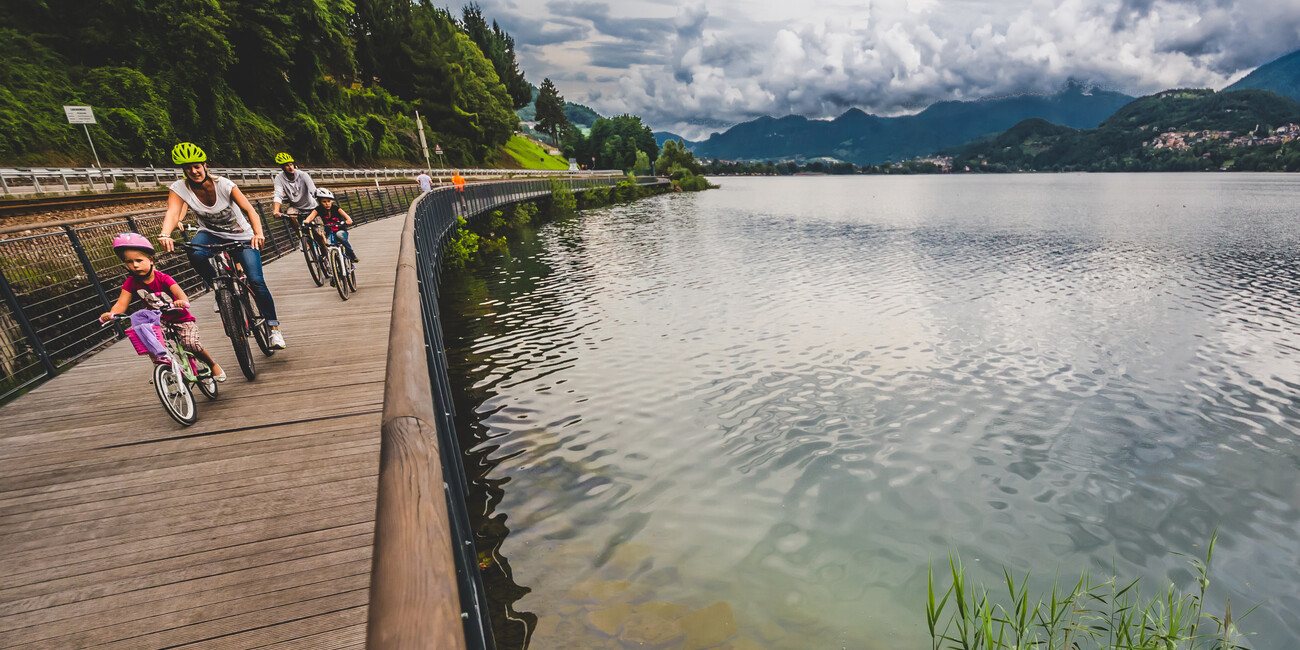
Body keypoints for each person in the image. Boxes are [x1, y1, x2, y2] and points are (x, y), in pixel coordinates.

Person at [157, 142, 287, 349]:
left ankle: (273, 329)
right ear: (184, 171)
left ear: (205, 165)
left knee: (256, 280)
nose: (194, 171)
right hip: (210, 234)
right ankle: (217, 286)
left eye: (197, 166)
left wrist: (258, 233)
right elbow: (172, 213)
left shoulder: (224, 185)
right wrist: (165, 233)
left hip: (242, 236)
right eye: (188, 168)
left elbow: (250, 211)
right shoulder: (179, 187)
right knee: (194, 251)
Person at [101, 233, 226, 382]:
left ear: (151, 259)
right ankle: (162, 368)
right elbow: (121, 304)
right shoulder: (131, 282)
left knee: (191, 344)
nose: (134, 265)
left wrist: (180, 301)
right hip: (159, 321)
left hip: (181, 318)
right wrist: (112, 314)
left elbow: (181, 295)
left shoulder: (163, 278)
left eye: (139, 260)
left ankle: (212, 364)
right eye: (129, 262)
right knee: (148, 338)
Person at [303, 188, 357, 263]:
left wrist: (348, 220)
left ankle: (351, 254)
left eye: (329, 201)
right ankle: (335, 262)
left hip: (340, 229)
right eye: (324, 202)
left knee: (340, 235)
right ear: (320, 202)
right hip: (329, 232)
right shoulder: (318, 209)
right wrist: (307, 221)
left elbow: (346, 216)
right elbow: (311, 216)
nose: (327, 204)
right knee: (328, 244)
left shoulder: (336, 208)